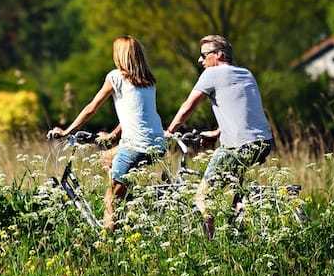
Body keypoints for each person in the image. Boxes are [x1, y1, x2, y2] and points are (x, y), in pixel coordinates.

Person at [47, 35, 165, 231]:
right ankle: (126, 197)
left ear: (119, 56)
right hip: (157, 143)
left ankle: (107, 241)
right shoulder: (149, 81)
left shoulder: (115, 77)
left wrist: (67, 131)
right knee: (106, 158)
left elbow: (92, 108)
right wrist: (113, 135)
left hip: (135, 145)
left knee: (110, 199)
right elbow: (137, 114)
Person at [165, 35, 274, 239]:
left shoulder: (212, 74)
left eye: (204, 55)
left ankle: (211, 245)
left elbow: (189, 105)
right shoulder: (246, 73)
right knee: (236, 193)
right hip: (264, 142)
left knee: (202, 197)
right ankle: (239, 235)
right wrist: (216, 133)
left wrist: (170, 130)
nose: (200, 60)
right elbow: (243, 111)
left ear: (219, 55)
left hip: (238, 146)